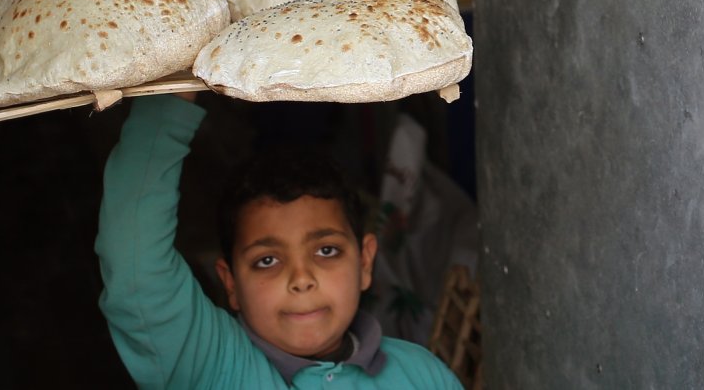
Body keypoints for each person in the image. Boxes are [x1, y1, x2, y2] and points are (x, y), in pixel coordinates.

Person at [96, 93, 463, 389]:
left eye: (326, 250)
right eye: (267, 260)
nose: (301, 278)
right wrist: (173, 94)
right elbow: (133, 258)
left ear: (365, 262)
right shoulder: (210, 365)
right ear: (231, 284)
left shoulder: (420, 375)